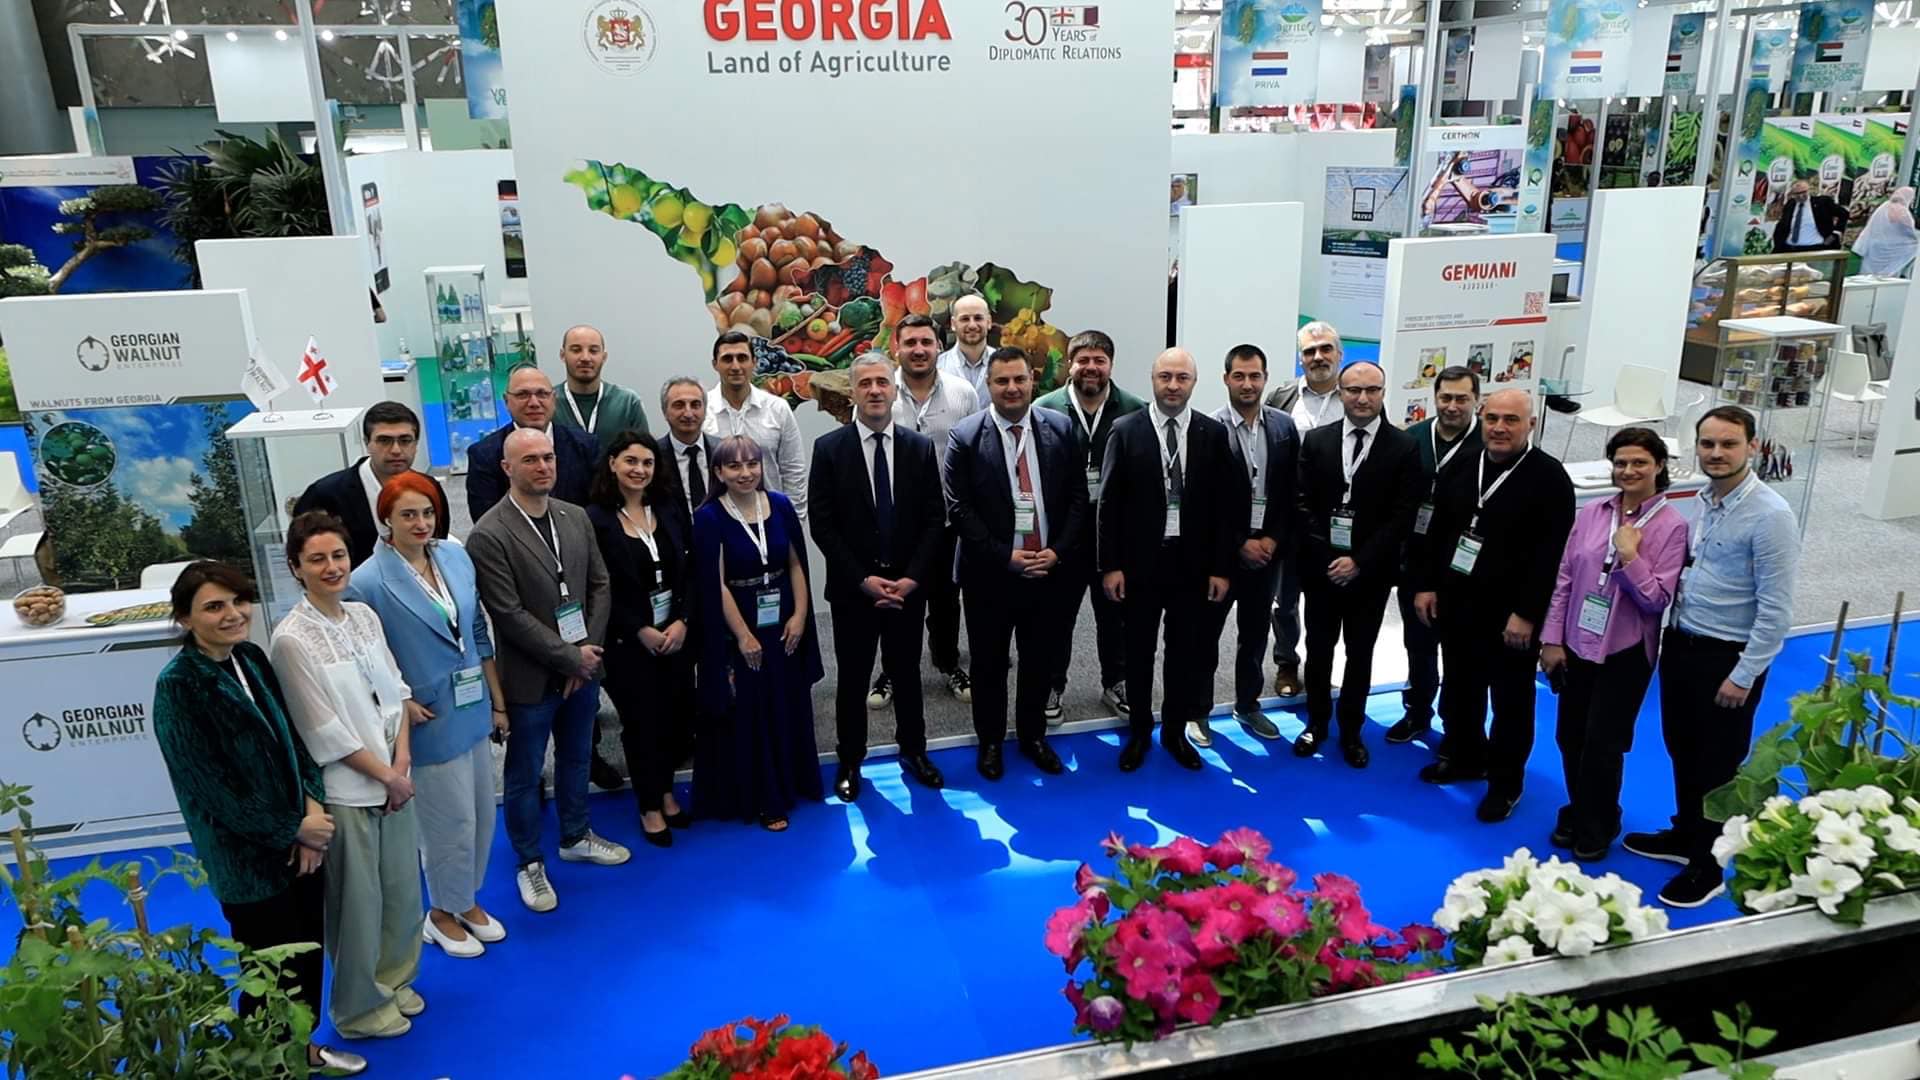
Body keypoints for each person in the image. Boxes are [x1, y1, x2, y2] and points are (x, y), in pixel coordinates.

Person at [152, 562, 365, 1077]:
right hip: (247, 860)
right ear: (184, 618)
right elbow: (210, 788)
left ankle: (301, 1047)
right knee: (267, 965)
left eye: (238, 601)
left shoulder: (250, 657)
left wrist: (312, 810)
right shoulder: (179, 686)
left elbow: (295, 739)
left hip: (302, 844)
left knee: (307, 952)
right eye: (214, 607)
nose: (232, 614)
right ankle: (267, 1062)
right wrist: (292, 830)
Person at [1625, 405, 1799, 908]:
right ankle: (1686, 834)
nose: (1716, 453)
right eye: (1708, 444)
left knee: (1718, 765)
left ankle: (1710, 864)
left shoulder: (1771, 516)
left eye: (1728, 444)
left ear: (1753, 447)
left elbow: (1776, 610)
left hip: (1728, 656)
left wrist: (1744, 675)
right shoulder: (1705, 500)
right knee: (1681, 747)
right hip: (1683, 643)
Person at [269, 511, 424, 1041]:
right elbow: (323, 731)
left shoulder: (364, 616)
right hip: (348, 792)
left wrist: (401, 766)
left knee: (402, 893)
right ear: (296, 568)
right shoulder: (291, 640)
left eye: (338, 555)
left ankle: (395, 980)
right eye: (317, 559)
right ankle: (359, 1009)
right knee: (358, 907)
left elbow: (398, 692)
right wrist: (387, 776)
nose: (331, 567)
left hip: (395, 782)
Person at [468, 428, 629, 915]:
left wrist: (587, 652)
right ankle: (529, 861)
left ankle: (576, 835)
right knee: (524, 772)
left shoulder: (573, 516)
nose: (543, 466)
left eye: (548, 457)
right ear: (507, 468)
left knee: (577, 757)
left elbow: (600, 584)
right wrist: (569, 658)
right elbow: (507, 613)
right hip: (531, 677)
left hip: (584, 666)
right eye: (531, 460)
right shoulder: (489, 534)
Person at [348, 473, 508, 961]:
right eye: (408, 515)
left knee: (481, 814)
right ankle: (439, 913)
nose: (421, 523)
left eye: (427, 513)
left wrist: (497, 698)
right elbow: (361, 661)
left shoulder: (454, 557)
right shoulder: (366, 583)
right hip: (426, 718)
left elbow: (476, 630)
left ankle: (465, 899)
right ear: (386, 520)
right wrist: (398, 703)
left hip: (471, 705)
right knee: (447, 823)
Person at [1412, 390, 1575, 821]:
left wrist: (1527, 613)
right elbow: (1437, 533)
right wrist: (1427, 585)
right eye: (1492, 419)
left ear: (1530, 425)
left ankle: (1506, 782)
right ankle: (1466, 756)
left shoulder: (1550, 478)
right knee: (1459, 688)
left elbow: (1552, 556)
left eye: (1511, 420)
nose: (1500, 428)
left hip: (1511, 616)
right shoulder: (1465, 464)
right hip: (1457, 604)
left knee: (1511, 702)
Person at [1540, 428, 1689, 862]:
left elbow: (1656, 600)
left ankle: (1599, 821)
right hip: (1576, 641)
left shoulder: (1672, 526)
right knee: (1570, 736)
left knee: (1603, 743)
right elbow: (1565, 577)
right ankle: (1579, 806)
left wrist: (1630, 557)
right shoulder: (1592, 512)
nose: (1628, 471)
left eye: (1639, 462)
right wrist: (1551, 638)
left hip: (1625, 651)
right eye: (1621, 463)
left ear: (1659, 466)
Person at [1099, 347, 1245, 773]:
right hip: (1139, 566)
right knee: (1138, 652)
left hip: (1193, 567)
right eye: (1165, 377)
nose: (1173, 386)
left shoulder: (1212, 433)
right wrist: (1110, 565)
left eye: (1182, 378)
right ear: (1153, 379)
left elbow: (1225, 509)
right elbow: (1108, 504)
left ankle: (1175, 732)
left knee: (1184, 653)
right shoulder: (1125, 430)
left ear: (1194, 382)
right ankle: (1139, 732)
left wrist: (1221, 568)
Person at [811, 354, 948, 800]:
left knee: (906, 673)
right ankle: (850, 759)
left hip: (907, 588)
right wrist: (862, 580)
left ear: (894, 390)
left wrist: (912, 578)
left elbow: (934, 519)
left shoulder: (918, 447)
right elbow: (823, 525)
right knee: (853, 678)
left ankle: (915, 751)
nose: (874, 390)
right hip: (854, 591)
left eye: (882, 382)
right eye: (865, 383)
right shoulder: (829, 449)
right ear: (852, 392)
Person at [946, 346, 1086, 779]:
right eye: (1002, 381)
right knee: (988, 663)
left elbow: (1078, 499)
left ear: (1032, 381)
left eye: (1019, 379)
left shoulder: (1061, 428)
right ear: (988, 385)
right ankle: (990, 742)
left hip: (1047, 570)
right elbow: (959, 508)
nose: (1012, 388)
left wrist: (1057, 551)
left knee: (1039, 659)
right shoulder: (965, 435)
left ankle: (1032, 736)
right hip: (990, 574)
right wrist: (1004, 555)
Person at [691, 435, 825, 829]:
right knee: (752, 707)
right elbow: (715, 583)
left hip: (783, 617)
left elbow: (796, 565)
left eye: (752, 463)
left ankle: (796, 780)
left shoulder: (780, 504)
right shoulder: (709, 517)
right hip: (741, 620)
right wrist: (743, 635)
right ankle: (766, 797)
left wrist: (800, 615)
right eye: (734, 466)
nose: (745, 472)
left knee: (787, 697)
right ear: (719, 472)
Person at [1293, 360, 1420, 768]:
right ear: (1341, 393)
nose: (1362, 398)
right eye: (1353, 390)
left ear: (1382, 393)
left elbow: (1402, 515)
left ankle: (1351, 731)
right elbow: (1301, 503)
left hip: (1370, 573)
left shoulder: (1403, 447)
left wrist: (1359, 561)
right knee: (1318, 650)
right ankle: (1316, 722)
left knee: (1360, 653)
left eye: (1371, 390)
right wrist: (1330, 559)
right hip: (1322, 571)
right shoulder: (1317, 441)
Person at [586, 430, 694, 846]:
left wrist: (683, 619)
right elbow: (599, 586)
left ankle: (665, 791)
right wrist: (637, 628)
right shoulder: (595, 519)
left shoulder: (667, 506)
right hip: (627, 643)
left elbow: (690, 569)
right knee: (641, 723)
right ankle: (650, 805)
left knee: (672, 719)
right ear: (612, 463)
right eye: (630, 461)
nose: (639, 469)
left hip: (674, 636)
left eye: (647, 462)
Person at [1034, 329, 1145, 724]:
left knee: (1115, 616)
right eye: (1083, 360)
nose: (1091, 367)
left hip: (1114, 538)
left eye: (1100, 360)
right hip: (1063, 537)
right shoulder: (1044, 409)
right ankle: (1052, 684)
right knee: (1056, 618)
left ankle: (1116, 682)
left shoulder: (1134, 410)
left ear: (1111, 364)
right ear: (1070, 364)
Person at [1205, 343, 1300, 743]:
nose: (1247, 384)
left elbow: (1291, 491)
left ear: (1265, 379)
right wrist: (1240, 542)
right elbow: (1203, 504)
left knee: (1255, 635)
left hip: (1267, 555)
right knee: (1206, 637)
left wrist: (1273, 539)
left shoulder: (1283, 427)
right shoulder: (1207, 429)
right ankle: (1198, 711)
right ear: (1226, 379)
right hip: (1222, 557)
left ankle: (1248, 704)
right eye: (1239, 376)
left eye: (1255, 376)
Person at [885, 313, 979, 711]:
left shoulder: (963, 394)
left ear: (939, 346)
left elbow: (976, 456)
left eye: (926, 342)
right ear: (897, 348)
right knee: (895, 600)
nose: (919, 349)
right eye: (910, 342)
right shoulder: (880, 392)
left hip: (947, 521)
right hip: (896, 524)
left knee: (946, 600)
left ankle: (948, 662)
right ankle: (891, 670)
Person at [1386, 366, 1483, 746]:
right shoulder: (1413, 438)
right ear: (1435, 398)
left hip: (1465, 567)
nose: (1452, 406)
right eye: (1445, 398)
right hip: (1415, 561)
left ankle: (1458, 727)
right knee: (1418, 644)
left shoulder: (1487, 443)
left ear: (1476, 400)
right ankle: (1417, 711)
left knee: (1461, 653)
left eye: (1462, 398)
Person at [1266, 321, 1347, 699]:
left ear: (1339, 355)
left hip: (1336, 520)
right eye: (1309, 351)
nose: (1318, 357)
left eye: (1325, 349)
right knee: (1284, 600)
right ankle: (1286, 662)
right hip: (1287, 518)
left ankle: (1320, 667)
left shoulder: (1356, 396)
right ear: (1300, 358)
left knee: (1326, 600)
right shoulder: (1282, 396)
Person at [293, 401, 449, 567]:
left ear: (416, 444)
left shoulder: (429, 487)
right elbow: (303, 554)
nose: (396, 450)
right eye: (384, 441)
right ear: (367, 443)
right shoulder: (325, 494)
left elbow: (436, 544)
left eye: (405, 440)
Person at [467, 365, 600, 521]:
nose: (534, 403)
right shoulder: (484, 454)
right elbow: (486, 519)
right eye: (523, 395)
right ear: (506, 401)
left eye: (542, 394)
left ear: (553, 399)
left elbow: (598, 508)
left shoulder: (585, 446)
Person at [705, 331, 809, 522]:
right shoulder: (703, 411)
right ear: (715, 364)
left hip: (771, 521)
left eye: (742, 358)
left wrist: (793, 523)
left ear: (754, 362)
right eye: (727, 359)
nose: (736, 366)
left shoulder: (778, 409)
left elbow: (793, 471)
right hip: (718, 524)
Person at [552, 324, 652, 458]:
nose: (585, 358)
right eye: (576, 350)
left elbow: (643, 455)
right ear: (562, 355)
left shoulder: (627, 402)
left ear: (604, 357)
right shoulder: (548, 402)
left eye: (593, 351)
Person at [658, 376, 723, 529]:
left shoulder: (723, 451)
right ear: (665, 412)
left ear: (705, 410)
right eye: (679, 405)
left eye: (695, 405)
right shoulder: (654, 457)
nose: (688, 413)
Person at [937, 293, 995, 403]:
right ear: (953, 324)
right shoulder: (938, 367)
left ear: (989, 322)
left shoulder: (1003, 365)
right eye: (965, 319)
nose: (972, 325)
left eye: (978, 318)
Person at [1851, 187, 1918, 275]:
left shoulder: (1884, 206)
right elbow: (1910, 232)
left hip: (1874, 245)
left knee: (1867, 274)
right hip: (1890, 250)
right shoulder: (1902, 211)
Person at [1772, 180, 1847, 253]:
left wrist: (1836, 233)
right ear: (1792, 194)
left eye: (1803, 192)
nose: (1801, 196)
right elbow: (1783, 224)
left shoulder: (1822, 202)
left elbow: (1844, 214)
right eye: (1797, 193)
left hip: (1815, 248)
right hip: (1789, 249)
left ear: (1808, 190)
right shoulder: (1790, 204)